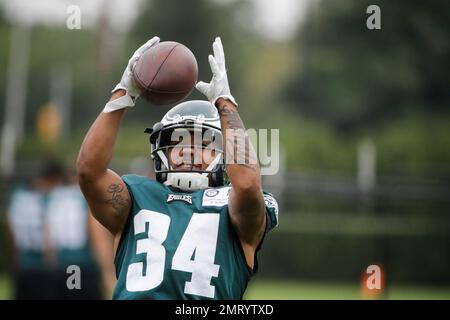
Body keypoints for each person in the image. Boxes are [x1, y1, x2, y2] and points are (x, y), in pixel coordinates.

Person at [76, 36, 279, 300]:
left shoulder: (234, 203)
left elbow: (249, 184)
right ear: (160, 148)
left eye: (203, 143)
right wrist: (123, 94)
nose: (188, 150)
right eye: (177, 141)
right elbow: (89, 171)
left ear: (223, 149)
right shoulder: (136, 196)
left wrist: (226, 104)